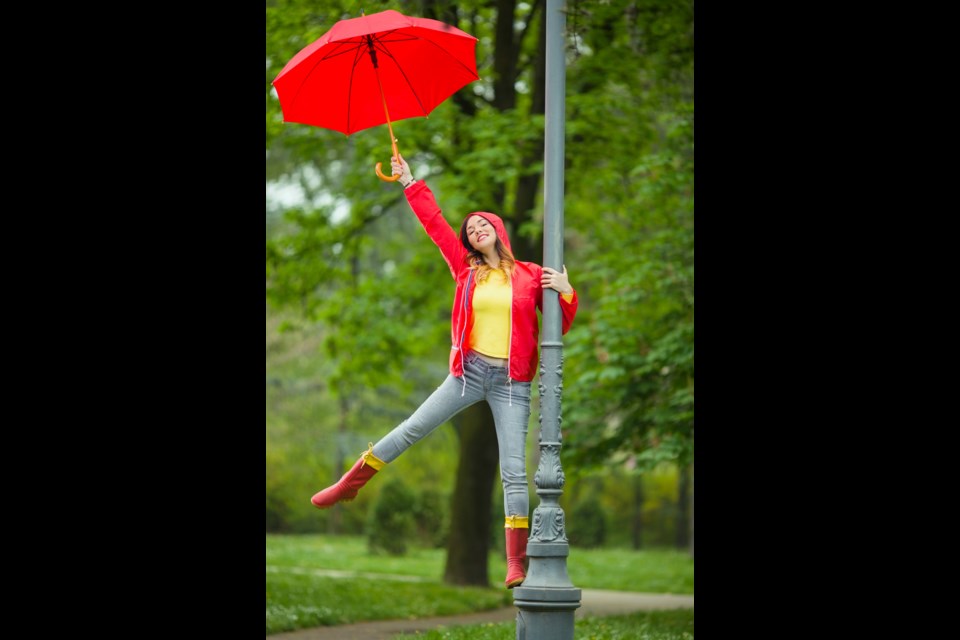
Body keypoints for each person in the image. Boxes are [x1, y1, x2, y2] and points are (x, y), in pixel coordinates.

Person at [311, 154, 578, 589]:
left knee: (513, 469)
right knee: (412, 428)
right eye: (470, 230)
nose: (475, 231)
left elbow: (558, 327)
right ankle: (350, 483)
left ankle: (515, 560)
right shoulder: (466, 271)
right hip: (468, 373)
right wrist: (410, 180)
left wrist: (567, 293)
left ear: (498, 230)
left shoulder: (530, 277)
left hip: (512, 384)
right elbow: (435, 223)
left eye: (481, 225)